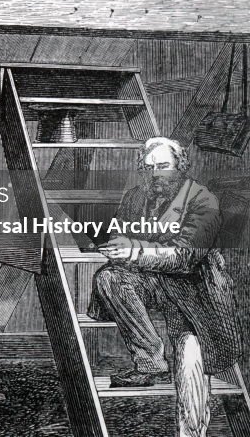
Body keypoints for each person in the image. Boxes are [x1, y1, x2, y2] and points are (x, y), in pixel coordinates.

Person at [88, 137, 240, 437]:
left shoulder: (202, 200)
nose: (156, 174)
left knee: (190, 362)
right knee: (108, 277)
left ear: (180, 166)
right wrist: (114, 246)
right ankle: (150, 362)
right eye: (149, 168)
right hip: (151, 280)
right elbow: (122, 234)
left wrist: (134, 250)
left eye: (163, 166)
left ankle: (191, 434)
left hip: (193, 292)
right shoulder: (134, 196)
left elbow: (185, 258)